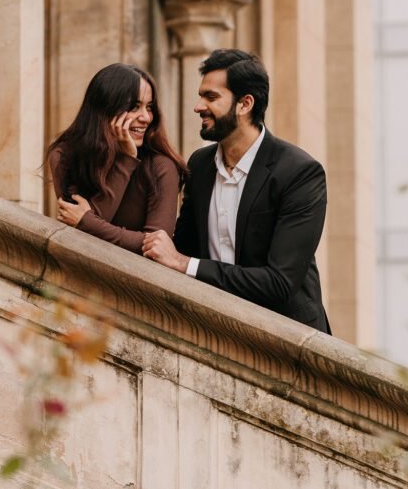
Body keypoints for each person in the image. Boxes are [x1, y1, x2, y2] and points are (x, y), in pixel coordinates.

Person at [141, 49, 331, 334]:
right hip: (214, 330)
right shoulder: (200, 166)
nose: (198, 106)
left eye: (211, 97)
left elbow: (279, 283)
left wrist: (185, 264)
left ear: (245, 104)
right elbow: (181, 246)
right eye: (201, 96)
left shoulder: (299, 173)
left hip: (289, 339)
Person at [47, 63, 187, 254]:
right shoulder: (65, 155)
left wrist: (87, 221)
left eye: (150, 107)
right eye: (134, 107)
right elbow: (78, 237)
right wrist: (126, 160)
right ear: (105, 108)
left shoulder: (161, 167)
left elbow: (158, 249)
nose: (145, 117)